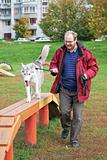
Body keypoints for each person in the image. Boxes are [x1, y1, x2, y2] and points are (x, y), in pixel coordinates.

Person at [49, 31, 99, 147]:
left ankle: (74, 140)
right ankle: (66, 128)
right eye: (66, 41)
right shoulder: (60, 52)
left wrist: (86, 75)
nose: (67, 43)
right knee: (64, 112)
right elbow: (53, 63)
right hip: (64, 89)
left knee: (78, 117)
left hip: (80, 90)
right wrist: (54, 69)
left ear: (75, 40)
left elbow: (94, 67)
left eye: (70, 41)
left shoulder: (85, 53)